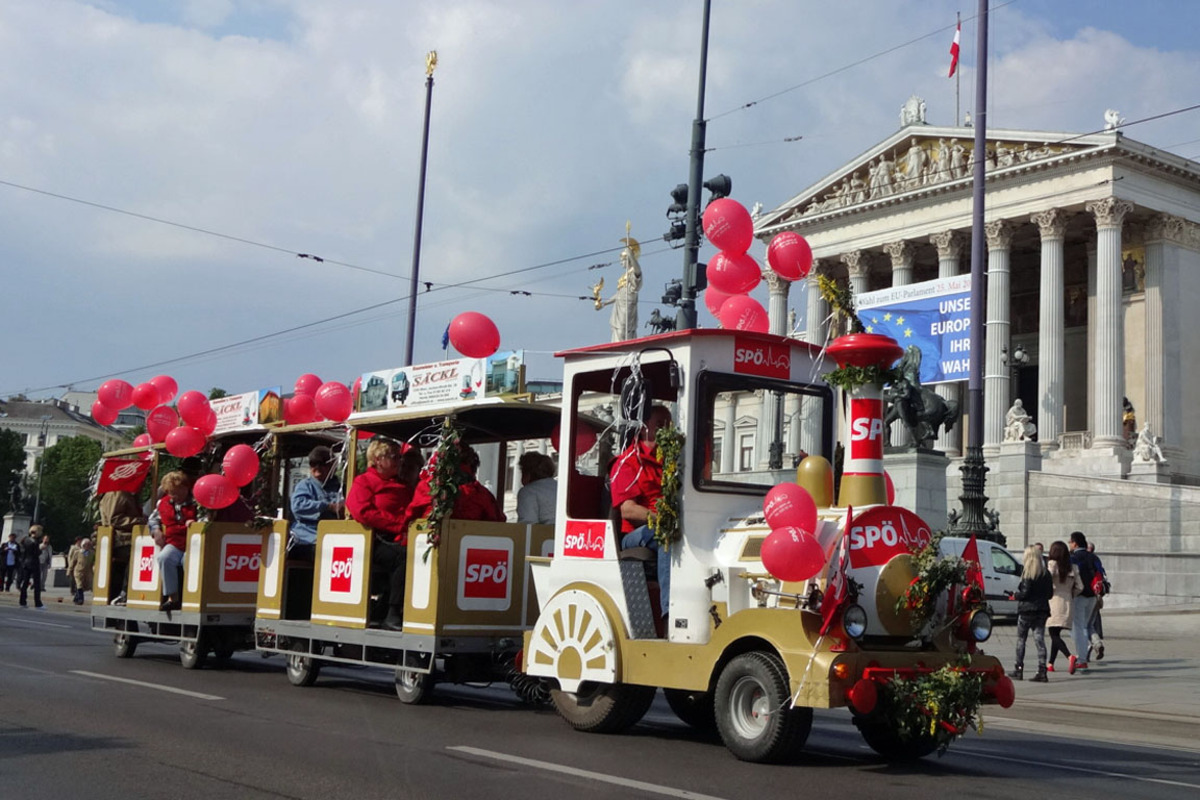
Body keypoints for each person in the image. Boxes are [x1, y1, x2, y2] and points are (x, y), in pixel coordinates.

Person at [346, 440, 419, 631]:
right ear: (378, 459)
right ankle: (393, 612)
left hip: (402, 536)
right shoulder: (364, 482)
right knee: (404, 559)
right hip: (375, 539)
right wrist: (398, 524)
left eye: (399, 456)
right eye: (394, 456)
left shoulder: (404, 485)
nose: (399, 461)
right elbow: (362, 512)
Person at [610, 405, 672, 619]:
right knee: (668, 536)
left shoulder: (673, 461)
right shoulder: (626, 463)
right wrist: (664, 519)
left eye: (669, 424)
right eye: (661, 424)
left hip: (667, 524)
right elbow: (628, 510)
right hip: (634, 535)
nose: (667, 429)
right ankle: (670, 612)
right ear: (644, 427)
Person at [289, 445, 344, 558]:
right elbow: (297, 506)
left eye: (323, 463)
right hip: (306, 540)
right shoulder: (305, 485)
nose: (317, 467)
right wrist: (328, 506)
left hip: (335, 538)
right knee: (330, 556)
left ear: (333, 465)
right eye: (313, 463)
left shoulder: (341, 488)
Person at [155, 470, 197, 612]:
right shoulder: (163, 503)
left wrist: (196, 523)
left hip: (193, 545)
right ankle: (173, 597)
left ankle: (190, 597)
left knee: (189, 562)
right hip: (174, 543)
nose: (174, 496)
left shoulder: (197, 502)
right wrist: (156, 530)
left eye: (177, 492)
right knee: (164, 558)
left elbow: (208, 518)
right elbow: (153, 519)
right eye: (171, 492)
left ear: (186, 488)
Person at [99, 490, 146, 605]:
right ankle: (125, 592)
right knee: (138, 555)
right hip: (121, 541)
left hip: (127, 539)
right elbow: (114, 519)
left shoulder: (128, 494)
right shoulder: (118, 494)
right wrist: (141, 521)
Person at [1012, 546, 1052, 682]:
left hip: (1026, 611)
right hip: (1041, 610)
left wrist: (1015, 595)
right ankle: (1042, 670)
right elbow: (1050, 594)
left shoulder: (1027, 573)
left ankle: (1019, 669)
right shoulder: (1046, 573)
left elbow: (1025, 593)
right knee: (1039, 640)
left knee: (1021, 639)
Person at [1046, 540, 1083, 674]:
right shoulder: (1073, 567)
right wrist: (1070, 594)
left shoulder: (1052, 564)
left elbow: (1047, 578)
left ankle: (1069, 656)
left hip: (1054, 601)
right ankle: (1050, 663)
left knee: (1053, 633)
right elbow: (1080, 587)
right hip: (1068, 602)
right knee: (1056, 633)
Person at [1068, 531, 1102, 670]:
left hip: (1079, 596)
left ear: (1075, 543)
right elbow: (1101, 574)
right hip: (1093, 596)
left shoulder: (1073, 558)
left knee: (1079, 627)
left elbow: (1070, 577)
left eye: (1070, 542)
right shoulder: (1093, 557)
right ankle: (1084, 653)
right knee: (1084, 626)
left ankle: (1081, 658)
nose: (1069, 544)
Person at [516, 452, 557, 525]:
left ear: (527, 473)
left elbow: (527, 525)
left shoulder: (528, 492)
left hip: (544, 535)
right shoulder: (560, 487)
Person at [17, 530, 44, 609]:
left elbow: (22, 551)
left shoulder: (25, 540)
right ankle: (38, 603)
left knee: (25, 583)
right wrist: (40, 550)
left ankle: (22, 601)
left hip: (26, 563)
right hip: (34, 563)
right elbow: (36, 553)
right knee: (37, 583)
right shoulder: (35, 542)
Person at [68, 538, 94, 605]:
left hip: (87, 572)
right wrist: (69, 571)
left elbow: (93, 563)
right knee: (79, 585)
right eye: (86, 545)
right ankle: (81, 599)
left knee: (83, 586)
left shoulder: (92, 553)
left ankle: (76, 598)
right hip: (78, 571)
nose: (87, 546)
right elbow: (73, 562)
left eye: (89, 545)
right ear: (83, 545)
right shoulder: (78, 552)